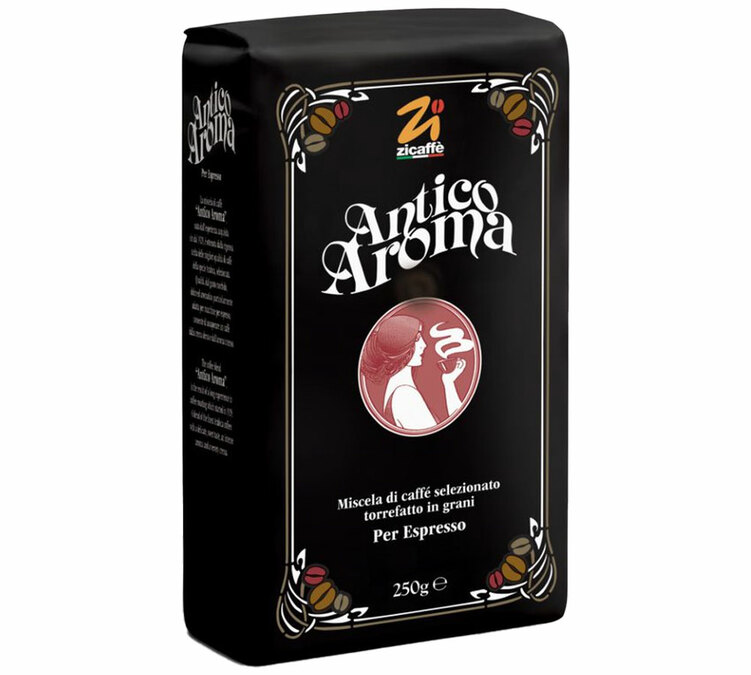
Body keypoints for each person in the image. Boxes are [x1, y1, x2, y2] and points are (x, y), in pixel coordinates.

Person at [361, 314, 465, 430]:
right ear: (401, 345)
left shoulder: (400, 389)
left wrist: (448, 382)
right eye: (417, 339)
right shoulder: (405, 395)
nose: (424, 345)